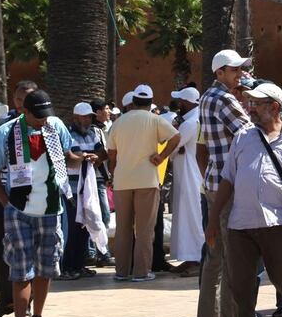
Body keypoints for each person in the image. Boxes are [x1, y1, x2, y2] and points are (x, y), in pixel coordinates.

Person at [203, 80, 282, 317]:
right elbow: (228, 179)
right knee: (241, 293)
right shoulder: (243, 136)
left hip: (281, 225)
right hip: (240, 227)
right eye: (250, 103)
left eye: (256, 104)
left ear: (275, 107)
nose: (250, 108)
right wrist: (212, 220)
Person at [0, 89, 86, 317]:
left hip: (51, 209)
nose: (43, 120)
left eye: (46, 114)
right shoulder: (6, 132)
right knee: (21, 271)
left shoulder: (55, 126)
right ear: (24, 111)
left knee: (46, 268)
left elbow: (67, 158)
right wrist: (7, 203)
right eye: (37, 115)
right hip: (19, 210)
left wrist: (82, 160)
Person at [197, 49, 254, 317]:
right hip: (230, 188)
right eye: (234, 70)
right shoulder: (225, 99)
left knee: (215, 259)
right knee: (233, 260)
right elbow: (252, 135)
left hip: (213, 184)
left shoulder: (206, 97)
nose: (240, 74)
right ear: (219, 73)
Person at [107, 84, 180, 282]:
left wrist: (114, 171)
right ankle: (141, 272)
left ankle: (121, 271)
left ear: (133, 101)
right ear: (150, 102)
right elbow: (176, 137)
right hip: (147, 179)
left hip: (122, 180)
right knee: (145, 229)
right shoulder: (155, 119)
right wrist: (161, 156)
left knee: (123, 228)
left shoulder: (119, 122)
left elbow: (111, 153)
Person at [0, 80, 39, 317]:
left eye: (27, 100)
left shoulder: (46, 124)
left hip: (38, 200)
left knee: (33, 252)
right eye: (18, 99)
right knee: (2, 251)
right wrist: (4, 202)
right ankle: (6, 301)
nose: (21, 104)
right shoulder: (4, 127)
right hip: (9, 199)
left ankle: (27, 303)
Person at [60, 103, 107, 280]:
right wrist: (86, 157)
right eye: (84, 117)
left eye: (89, 117)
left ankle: (80, 264)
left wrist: (97, 157)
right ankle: (68, 266)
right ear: (75, 117)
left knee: (84, 226)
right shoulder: (68, 134)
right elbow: (72, 157)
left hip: (88, 185)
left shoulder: (93, 134)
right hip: (72, 187)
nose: (87, 120)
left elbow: (102, 153)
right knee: (72, 227)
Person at [169, 87, 204, 275]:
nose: (178, 105)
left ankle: (198, 259)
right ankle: (189, 257)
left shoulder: (191, 122)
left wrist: (175, 147)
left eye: (181, 101)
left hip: (192, 176)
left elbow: (173, 145)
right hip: (185, 174)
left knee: (193, 217)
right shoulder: (189, 120)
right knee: (186, 216)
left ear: (187, 102)